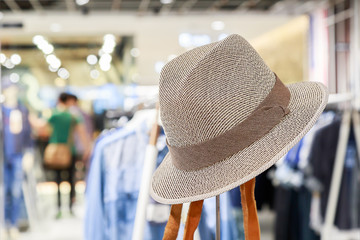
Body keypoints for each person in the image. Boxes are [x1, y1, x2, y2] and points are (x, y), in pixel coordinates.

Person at [30, 92, 91, 218]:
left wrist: (31, 118)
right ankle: (70, 208)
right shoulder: (73, 116)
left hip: (55, 151)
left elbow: (41, 127)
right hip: (70, 150)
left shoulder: (53, 114)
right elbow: (82, 133)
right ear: (68, 101)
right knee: (71, 180)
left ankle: (58, 208)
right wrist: (87, 149)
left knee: (57, 180)